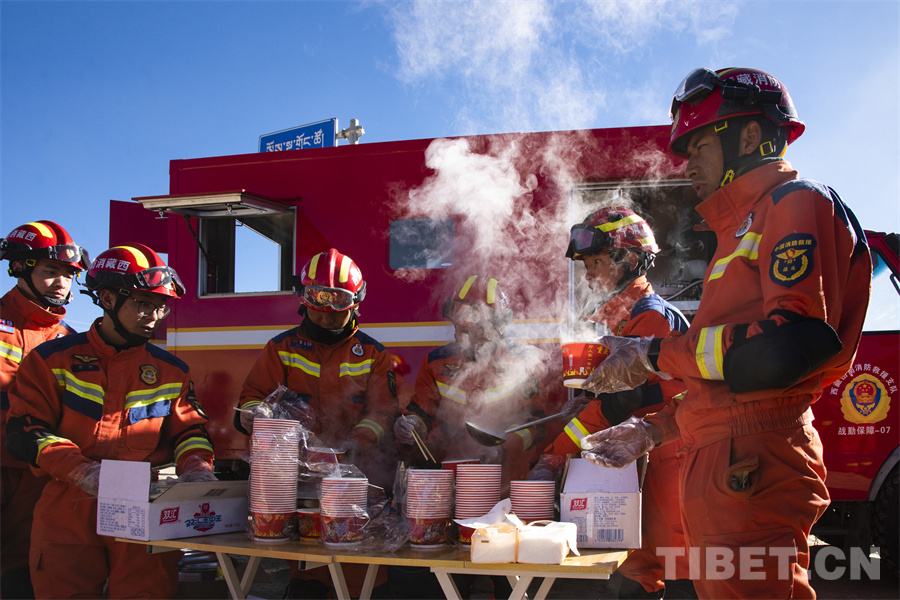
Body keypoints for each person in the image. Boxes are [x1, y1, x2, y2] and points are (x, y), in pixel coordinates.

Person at [579, 67, 872, 599]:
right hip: (730, 466)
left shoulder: (794, 203)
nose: (688, 164)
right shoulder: (741, 228)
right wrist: (655, 430)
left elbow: (784, 350)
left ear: (751, 136)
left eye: (700, 147)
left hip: (754, 466)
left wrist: (652, 354)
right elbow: (726, 382)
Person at [4, 243, 216, 599]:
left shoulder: (172, 371)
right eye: (144, 304)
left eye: (161, 306)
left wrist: (197, 468)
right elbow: (27, 431)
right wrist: (82, 472)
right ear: (106, 298)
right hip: (67, 504)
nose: (154, 316)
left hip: (142, 506)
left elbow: (190, 431)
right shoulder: (52, 359)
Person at [527, 207, 695, 599]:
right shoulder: (624, 318)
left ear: (629, 259)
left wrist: (554, 458)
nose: (587, 275)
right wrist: (587, 400)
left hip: (671, 459)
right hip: (645, 455)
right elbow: (614, 399)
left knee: (680, 571)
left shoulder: (651, 318)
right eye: (585, 265)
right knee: (639, 570)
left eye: (595, 263)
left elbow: (619, 403)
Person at [235, 248, 399, 599]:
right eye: (317, 305)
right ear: (303, 298)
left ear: (356, 302)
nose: (325, 317)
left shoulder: (373, 354)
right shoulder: (281, 348)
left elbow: (383, 413)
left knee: (360, 576)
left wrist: (357, 443)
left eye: (335, 308)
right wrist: (255, 414)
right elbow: (251, 397)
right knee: (307, 573)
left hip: (357, 480)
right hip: (299, 482)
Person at [0, 220, 89, 599]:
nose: (61, 283)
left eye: (69, 275)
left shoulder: (70, 342)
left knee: (23, 568)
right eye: (51, 271)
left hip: (37, 471)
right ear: (20, 267)